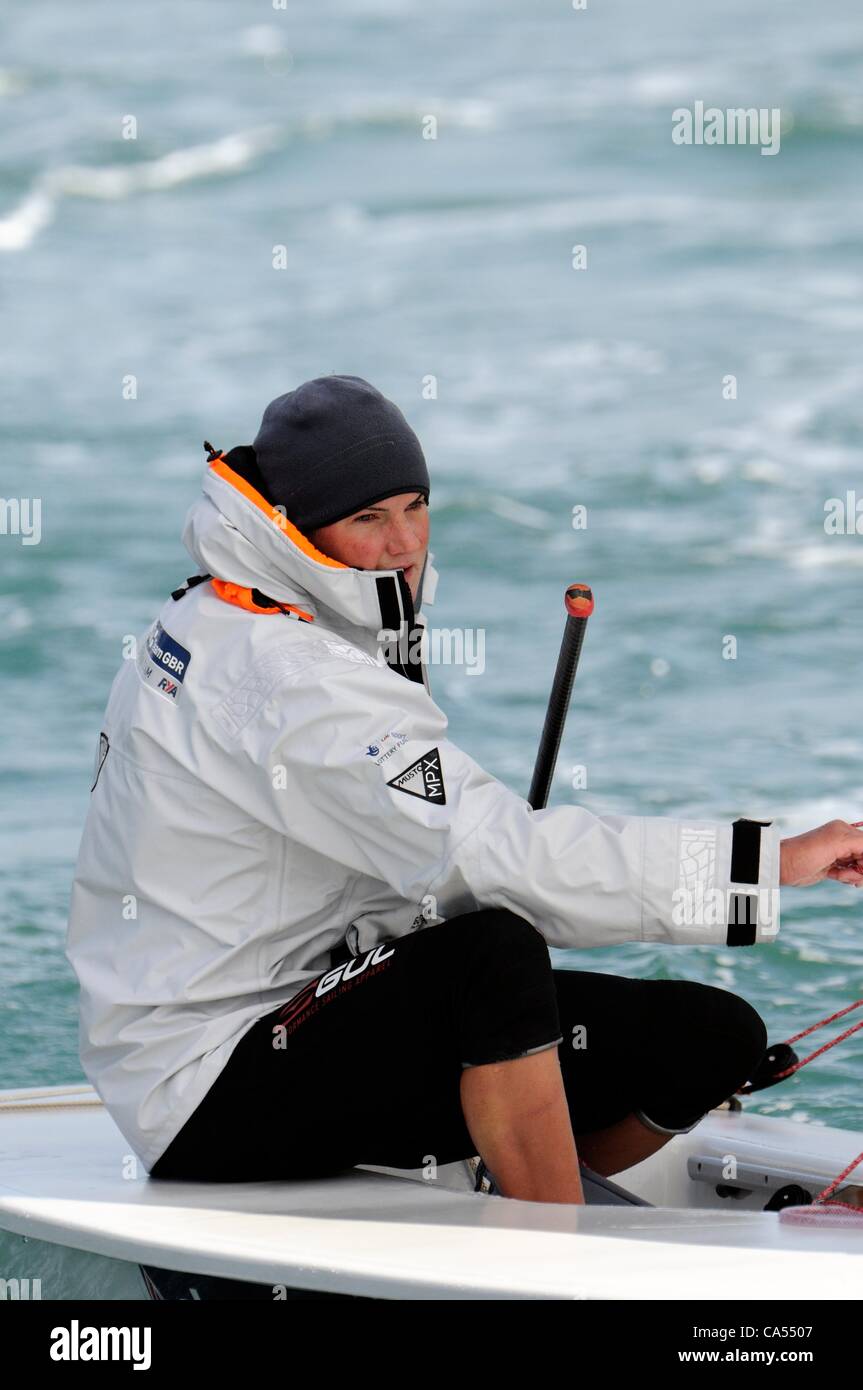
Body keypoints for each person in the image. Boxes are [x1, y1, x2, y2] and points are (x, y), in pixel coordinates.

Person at [65, 374, 863, 1206]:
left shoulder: (251, 613)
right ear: (291, 529)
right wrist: (770, 861)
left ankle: (522, 1189)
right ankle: (554, 1257)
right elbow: (493, 858)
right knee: (491, 950)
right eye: (367, 518)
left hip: (300, 1009)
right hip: (206, 1082)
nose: (405, 541)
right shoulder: (284, 676)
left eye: (415, 505)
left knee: (707, 1037)